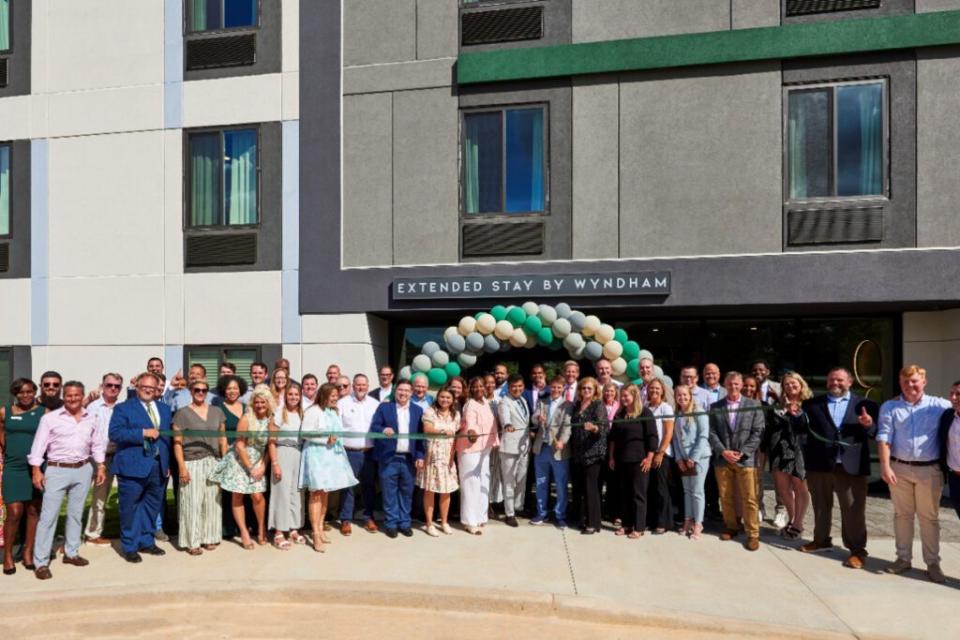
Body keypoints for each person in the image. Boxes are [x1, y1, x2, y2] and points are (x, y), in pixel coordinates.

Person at [875, 364, 952, 583]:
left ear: (924, 382)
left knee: (929, 518)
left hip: (930, 470)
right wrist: (885, 466)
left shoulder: (940, 405)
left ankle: (933, 563)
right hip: (899, 469)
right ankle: (903, 559)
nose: (910, 385)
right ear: (900, 383)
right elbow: (884, 436)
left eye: (914, 381)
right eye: (906, 381)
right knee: (902, 516)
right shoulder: (890, 407)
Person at [799, 367, 879, 569]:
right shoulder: (811, 404)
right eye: (832, 380)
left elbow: (876, 432)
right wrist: (794, 416)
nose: (835, 383)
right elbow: (800, 429)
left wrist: (868, 425)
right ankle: (821, 540)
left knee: (853, 510)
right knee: (820, 506)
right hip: (820, 464)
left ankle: (857, 551)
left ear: (850, 382)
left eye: (840, 380)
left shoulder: (865, 404)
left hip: (851, 466)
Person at [29, 381, 107, 580]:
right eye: (69, 395)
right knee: (49, 517)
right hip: (57, 470)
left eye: (77, 395)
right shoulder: (50, 418)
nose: (73, 399)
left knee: (75, 513)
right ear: (65, 396)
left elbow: (97, 444)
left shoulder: (92, 418)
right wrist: (36, 470)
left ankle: (71, 553)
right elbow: (39, 446)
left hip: (82, 469)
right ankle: (41, 561)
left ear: (82, 396)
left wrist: (100, 466)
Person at [109, 372, 173, 563]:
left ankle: (146, 541)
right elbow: (115, 433)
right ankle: (129, 545)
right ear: (137, 387)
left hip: (158, 466)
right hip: (132, 466)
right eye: (144, 386)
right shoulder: (123, 408)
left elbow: (167, 438)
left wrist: (167, 462)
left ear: (157, 390)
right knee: (129, 508)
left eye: (152, 388)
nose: (148, 390)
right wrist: (142, 433)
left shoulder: (164, 408)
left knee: (152, 507)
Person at [208, 384, 273, 550]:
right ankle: (244, 532)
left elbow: (270, 446)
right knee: (237, 496)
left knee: (257, 496)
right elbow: (239, 445)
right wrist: (250, 467)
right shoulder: (246, 418)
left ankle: (260, 528)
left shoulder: (271, 420)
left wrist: (263, 465)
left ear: (268, 403)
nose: (259, 405)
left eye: (263, 402)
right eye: (257, 402)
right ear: (253, 402)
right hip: (240, 460)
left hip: (259, 459)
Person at [708, 371, 764, 551]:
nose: (733, 386)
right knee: (726, 496)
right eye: (730, 383)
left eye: (736, 384)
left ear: (741, 385)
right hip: (723, 459)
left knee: (750, 498)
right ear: (725, 385)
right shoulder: (715, 406)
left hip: (745, 460)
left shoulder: (754, 405)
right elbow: (711, 432)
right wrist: (723, 451)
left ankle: (753, 534)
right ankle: (731, 526)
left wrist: (742, 452)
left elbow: (758, 432)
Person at [300, 383, 358, 552]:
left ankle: (320, 526)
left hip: (331, 457)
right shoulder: (313, 411)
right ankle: (315, 533)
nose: (335, 398)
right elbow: (305, 433)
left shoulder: (333, 412)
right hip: (316, 455)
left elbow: (337, 434)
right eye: (332, 395)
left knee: (325, 492)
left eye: (336, 396)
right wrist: (324, 440)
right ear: (324, 395)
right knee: (316, 493)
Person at [172, 379, 227, 556]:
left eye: (204, 390)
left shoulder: (217, 411)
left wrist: (224, 463)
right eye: (197, 389)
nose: (201, 393)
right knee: (192, 502)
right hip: (191, 461)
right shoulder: (181, 413)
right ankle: (192, 541)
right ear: (190, 390)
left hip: (213, 460)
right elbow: (177, 442)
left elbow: (223, 438)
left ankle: (209, 537)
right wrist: (181, 467)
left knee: (212, 502)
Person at [1, 379, 46, 574]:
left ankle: (28, 552)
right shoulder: (5, 412)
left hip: (36, 467)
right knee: (14, 512)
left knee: (34, 510)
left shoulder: (44, 412)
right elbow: (2, 434)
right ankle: (9, 555)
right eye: (21, 392)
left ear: (35, 392)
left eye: (30, 391)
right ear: (15, 394)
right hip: (13, 468)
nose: (26, 395)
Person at [370, 380, 425, 538]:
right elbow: (374, 426)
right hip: (389, 458)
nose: (403, 393)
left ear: (411, 392)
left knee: (406, 493)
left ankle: (405, 523)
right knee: (389, 493)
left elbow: (420, 437)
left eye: (407, 390)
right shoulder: (384, 407)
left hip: (409, 459)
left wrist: (420, 455)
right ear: (395, 391)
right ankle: (391, 524)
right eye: (400, 390)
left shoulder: (417, 410)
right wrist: (383, 429)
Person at [767, 372, 813, 540]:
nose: (790, 387)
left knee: (800, 487)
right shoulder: (776, 404)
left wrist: (793, 412)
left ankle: (798, 524)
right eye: (786, 384)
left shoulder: (809, 404)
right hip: (779, 450)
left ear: (801, 385)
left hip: (799, 450)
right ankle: (793, 519)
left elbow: (806, 428)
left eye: (794, 383)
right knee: (783, 488)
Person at [608, 384, 657, 539]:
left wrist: (649, 457)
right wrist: (611, 456)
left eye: (626, 395)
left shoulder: (645, 412)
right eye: (621, 396)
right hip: (622, 460)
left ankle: (639, 526)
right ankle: (626, 524)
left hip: (639, 460)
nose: (623, 398)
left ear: (635, 396)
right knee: (624, 494)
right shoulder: (620, 414)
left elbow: (652, 436)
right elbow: (613, 439)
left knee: (638, 494)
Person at [83, 373, 123, 545]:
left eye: (117, 386)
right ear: (102, 386)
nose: (113, 388)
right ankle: (79, 536)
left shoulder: (122, 408)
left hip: (114, 456)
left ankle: (93, 533)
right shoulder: (92, 407)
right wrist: (85, 401)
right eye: (109, 385)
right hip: (92, 458)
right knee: (84, 496)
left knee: (103, 496)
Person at [337, 374, 380, 534]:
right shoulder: (343, 403)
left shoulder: (375, 404)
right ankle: (346, 519)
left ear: (367, 386)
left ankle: (368, 517)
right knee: (348, 487)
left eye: (363, 385)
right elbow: (337, 428)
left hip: (369, 452)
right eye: (358, 385)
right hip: (349, 452)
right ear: (353, 386)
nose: (361, 387)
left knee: (368, 486)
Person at [457, 377, 499, 535]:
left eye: (481, 386)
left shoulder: (486, 403)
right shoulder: (470, 404)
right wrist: (472, 432)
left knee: (483, 481)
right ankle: (469, 521)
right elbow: (470, 422)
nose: (479, 388)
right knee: (471, 484)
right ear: (470, 389)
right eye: (475, 386)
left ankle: (481, 516)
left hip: (484, 448)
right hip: (470, 448)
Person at [418, 388, 460, 536]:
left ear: (453, 399)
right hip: (432, 457)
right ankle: (429, 523)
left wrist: (452, 457)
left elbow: (455, 437)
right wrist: (443, 431)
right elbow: (427, 428)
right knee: (430, 491)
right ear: (438, 397)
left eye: (448, 397)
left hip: (447, 458)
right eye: (442, 397)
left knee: (446, 491)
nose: (445, 400)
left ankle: (444, 522)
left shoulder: (456, 415)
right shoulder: (430, 411)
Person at [530, 376, 571, 527]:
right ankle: (542, 513)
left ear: (563, 389)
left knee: (560, 484)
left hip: (559, 450)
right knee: (541, 483)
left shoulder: (567, 405)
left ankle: (560, 515)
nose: (556, 390)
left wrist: (562, 441)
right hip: (541, 449)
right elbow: (534, 418)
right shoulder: (542, 402)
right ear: (549, 388)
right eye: (553, 387)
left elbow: (567, 426)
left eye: (559, 388)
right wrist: (537, 417)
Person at [672, 384, 711, 540]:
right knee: (687, 491)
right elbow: (676, 438)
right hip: (683, 459)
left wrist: (693, 458)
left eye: (685, 395)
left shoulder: (699, 412)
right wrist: (679, 458)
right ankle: (688, 520)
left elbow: (703, 436)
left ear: (690, 396)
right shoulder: (678, 414)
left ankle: (698, 523)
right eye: (679, 395)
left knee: (697, 492)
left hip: (699, 458)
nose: (682, 398)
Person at [268, 384, 305, 549]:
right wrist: (275, 463)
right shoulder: (278, 414)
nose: (293, 397)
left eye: (296, 394)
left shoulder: (302, 414)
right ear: (286, 396)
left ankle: (293, 528)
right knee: (281, 492)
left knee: (296, 493)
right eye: (290, 394)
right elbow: (271, 441)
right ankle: (279, 531)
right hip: (282, 452)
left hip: (298, 453)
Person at [570, 377, 609, 534]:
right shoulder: (577, 405)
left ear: (595, 390)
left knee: (590, 488)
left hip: (593, 453)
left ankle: (593, 523)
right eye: (583, 388)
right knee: (579, 488)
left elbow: (604, 428)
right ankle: (583, 519)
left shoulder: (598, 405)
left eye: (589, 388)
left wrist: (594, 429)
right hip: (578, 452)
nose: (586, 391)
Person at [497, 374, 532, 527]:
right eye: (514, 387)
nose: (517, 389)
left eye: (520, 386)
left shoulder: (523, 400)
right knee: (509, 481)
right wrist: (507, 425)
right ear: (509, 387)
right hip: (510, 448)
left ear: (523, 386)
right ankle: (509, 513)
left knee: (521, 480)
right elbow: (505, 418)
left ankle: (518, 507)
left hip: (524, 447)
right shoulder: (504, 402)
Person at [216, 374, 247, 539]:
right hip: (229, 453)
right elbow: (221, 436)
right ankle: (228, 528)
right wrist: (225, 456)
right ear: (223, 390)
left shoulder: (247, 407)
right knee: (229, 491)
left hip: (246, 453)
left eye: (235, 388)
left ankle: (244, 526)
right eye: (229, 388)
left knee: (244, 490)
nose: (232, 391)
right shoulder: (219, 407)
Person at [645, 378, 675, 534]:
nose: (654, 391)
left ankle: (663, 522)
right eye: (651, 388)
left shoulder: (666, 408)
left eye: (657, 389)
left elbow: (668, 433)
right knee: (649, 488)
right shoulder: (645, 407)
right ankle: (652, 520)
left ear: (662, 391)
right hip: (648, 454)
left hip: (662, 454)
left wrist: (660, 453)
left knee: (661, 488)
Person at [939, 381, 960, 521]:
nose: (953, 398)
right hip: (955, 478)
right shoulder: (948, 416)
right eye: (951, 394)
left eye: (958, 394)